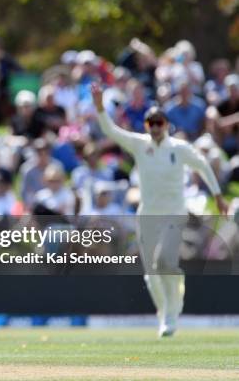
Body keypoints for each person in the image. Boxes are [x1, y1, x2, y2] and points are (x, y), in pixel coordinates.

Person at [92, 82, 227, 337]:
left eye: (159, 122)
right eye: (151, 123)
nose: (155, 127)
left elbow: (203, 166)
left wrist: (218, 195)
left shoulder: (179, 148)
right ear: (146, 125)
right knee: (151, 274)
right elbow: (111, 130)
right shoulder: (140, 144)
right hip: (148, 215)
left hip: (174, 213)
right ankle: (165, 314)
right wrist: (100, 107)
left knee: (164, 261)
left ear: (167, 125)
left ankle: (172, 313)